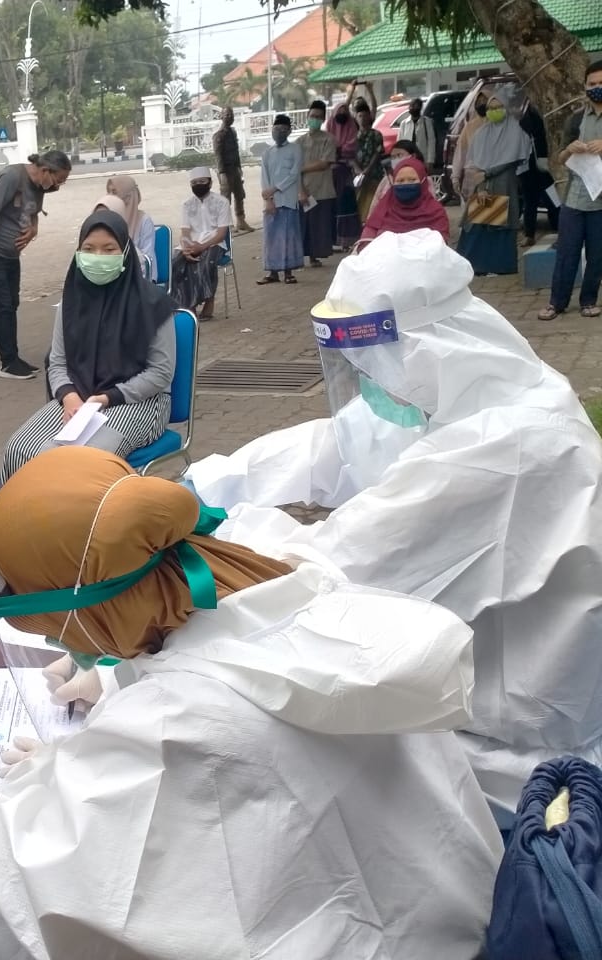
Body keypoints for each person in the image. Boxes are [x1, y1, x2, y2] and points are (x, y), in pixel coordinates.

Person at [0, 444, 503, 960]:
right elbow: (229, 663)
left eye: (48, 626)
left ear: (83, 606)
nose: (52, 640)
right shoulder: (285, 579)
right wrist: (123, 677)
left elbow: (6, 900)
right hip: (455, 910)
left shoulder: (176, 725)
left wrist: (47, 781)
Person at [186, 229, 602, 822]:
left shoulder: (509, 449)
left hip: (513, 765)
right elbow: (335, 443)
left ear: (422, 349)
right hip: (460, 710)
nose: (368, 385)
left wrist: (198, 552)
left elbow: (328, 573)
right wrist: (207, 487)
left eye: (373, 367)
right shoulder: (462, 390)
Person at [2, 210, 177, 479]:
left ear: (126, 253)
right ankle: (25, 520)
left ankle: (83, 520)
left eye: (109, 249)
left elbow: (161, 372)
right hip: (80, 397)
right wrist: (69, 395)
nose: (98, 257)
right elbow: (58, 362)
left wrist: (108, 397)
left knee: (77, 462)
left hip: (139, 401)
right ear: (78, 253)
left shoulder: (152, 304)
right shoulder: (72, 301)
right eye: (89, 249)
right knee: (19, 450)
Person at [0, 150, 72, 380]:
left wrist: (33, 229)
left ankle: (13, 358)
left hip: (10, 256)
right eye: (58, 180)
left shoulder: (40, 186)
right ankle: (7, 363)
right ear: (46, 170)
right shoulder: (13, 176)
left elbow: (33, 213)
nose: (58, 185)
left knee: (11, 304)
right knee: (2, 306)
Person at [541, 60, 602, 322]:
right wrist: (571, 149)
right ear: (585, 87)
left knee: (597, 253)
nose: (597, 88)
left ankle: (589, 301)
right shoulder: (576, 118)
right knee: (567, 251)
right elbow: (561, 156)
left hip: (600, 200)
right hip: (575, 197)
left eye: (601, 83)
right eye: (592, 84)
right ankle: (557, 302)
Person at [457, 92, 531, 276]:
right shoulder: (482, 133)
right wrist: (480, 180)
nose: (493, 111)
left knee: (501, 225)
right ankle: (476, 267)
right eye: (491, 108)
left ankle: (501, 267)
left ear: (506, 108)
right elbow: (473, 160)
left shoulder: (515, 131)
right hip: (482, 185)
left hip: (504, 183)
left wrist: (487, 173)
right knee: (478, 224)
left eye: (498, 108)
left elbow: (512, 159)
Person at [171, 166, 231, 318]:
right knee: (175, 263)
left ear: (210, 183)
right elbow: (184, 231)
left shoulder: (222, 202)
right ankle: (186, 305)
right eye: (195, 182)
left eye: (202, 181)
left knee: (205, 263)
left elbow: (222, 233)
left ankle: (208, 302)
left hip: (214, 243)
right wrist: (186, 248)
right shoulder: (186, 204)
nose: (198, 185)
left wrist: (202, 247)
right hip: (191, 243)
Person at [359, 157, 450, 245]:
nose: (406, 183)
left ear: (423, 182)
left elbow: (441, 246)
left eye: (412, 180)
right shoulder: (383, 210)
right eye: (400, 180)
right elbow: (366, 242)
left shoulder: (436, 213)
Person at [258, 114, 303, 285]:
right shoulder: (267, 153)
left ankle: (289, 272)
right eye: (276, 129)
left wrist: (276, 188)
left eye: (283, 129)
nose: (279, 132)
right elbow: (264, 177)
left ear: (289, 131)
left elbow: (294, 174)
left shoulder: (295, 149)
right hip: (271, 201)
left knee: (289, 236)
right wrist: (269, 197)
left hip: (289, 199)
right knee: (271, 237)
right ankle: (272, 272)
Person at [298, 99, 337, 267]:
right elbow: (293, 171)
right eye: (312, 116)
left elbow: (325, 163)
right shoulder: (298, 142)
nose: (314, 119)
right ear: (307, 116)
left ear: (323, 119)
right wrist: (301, 191)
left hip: (323, 189)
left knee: (319, 226)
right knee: (303, 226)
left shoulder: (329, 139)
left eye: (318, 117)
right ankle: (300, 257)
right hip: (304, 190)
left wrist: (301, 168)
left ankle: (315, 256)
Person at [518, 101, 559, 247]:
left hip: (546, 166)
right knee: (530, 202)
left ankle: (559, 232)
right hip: (528, 168)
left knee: (553, 201)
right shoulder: (525, 118)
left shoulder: (549, 115)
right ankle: (529, 234)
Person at [364, 138, 428, 222]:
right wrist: (370, 221)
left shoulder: (424, 180)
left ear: (413, 156)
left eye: (399, 155)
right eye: (393, 157)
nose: (396, 159)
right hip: (386, 223)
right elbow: (375, 203)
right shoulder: (387, 179)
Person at [327, 99, 362, 249]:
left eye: (344, 111)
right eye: (339, 111)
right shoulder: (330, 125)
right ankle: (333, 240)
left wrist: (339, 150)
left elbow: (351, 145)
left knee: (347, 204)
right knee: (332, 206)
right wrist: (334, 151)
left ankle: (348, 240)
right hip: (330, 173)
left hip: (347, 171)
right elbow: (327, 146)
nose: (341, 114)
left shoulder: (351, 126)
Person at [212, 107, 253, 233]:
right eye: (227, 114)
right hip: (225, 171)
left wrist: (240, 168)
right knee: (225, 199)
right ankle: (227, 225)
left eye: (231, 115)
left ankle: (241, 221)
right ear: (221, 116)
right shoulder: (219, 135)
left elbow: (236, 152)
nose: (230, 117)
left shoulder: (232, 132)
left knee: (240, 195)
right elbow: (218, 155)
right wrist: (222, 173)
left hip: (235, 169)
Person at [105, 174, 156, 277]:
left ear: (128, 196)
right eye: (108, 192)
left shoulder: (144, 221)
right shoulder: (107, 218)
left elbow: (147, 259)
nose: (109, 196)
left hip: (139, 277)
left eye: (114, 192)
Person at [351, 100, 385, 223]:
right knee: (358, 202)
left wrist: (366, 170)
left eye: (365, 115)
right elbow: (349, 156)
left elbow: (377, 153)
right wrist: (359, 171)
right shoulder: (353, 136)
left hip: (374, 174)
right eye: (360, 116)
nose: (363, 119)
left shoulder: (376, 135)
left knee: (373, 202)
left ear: (370, 117)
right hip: (357, 176)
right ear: (355, 117)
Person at [452, 93, 488, 200]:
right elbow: (460, 153)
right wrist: (455, 177)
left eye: (484, 101)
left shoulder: (496, 126)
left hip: (490, 176)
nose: (482, 104)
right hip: (471, 176)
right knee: (470, 213)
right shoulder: (470, 127)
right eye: (479, 102)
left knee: (488, 212)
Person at [398, 97, 437, 170]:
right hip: (407, 158)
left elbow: (431, 141)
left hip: (422, 158)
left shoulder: (426, 122)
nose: (412, 108)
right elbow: (400, 142)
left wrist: (430, 160)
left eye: (414, 106)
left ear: (420, 108)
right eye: (411, 106)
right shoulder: (404, 123)